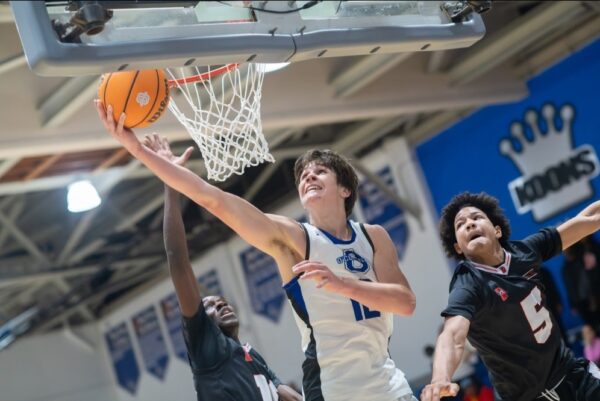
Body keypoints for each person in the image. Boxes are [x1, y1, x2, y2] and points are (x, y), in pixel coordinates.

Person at [97, 101, 418, 401]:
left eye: (320, 171)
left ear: (345, 189)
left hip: (391, 386)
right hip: (332, 390)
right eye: (303, 176)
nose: (309, 176)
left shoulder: (373, 237)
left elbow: (405, 303)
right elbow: (213, 199)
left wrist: (343, 284)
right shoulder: (292, 240)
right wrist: (138, 151)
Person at [421, 192, 600, 401]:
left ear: (497, 230)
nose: (469, 224)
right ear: (458, 247)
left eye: (477, 217)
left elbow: (585, 221)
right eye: (460, 224)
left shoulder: (524, 252)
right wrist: (440, 378)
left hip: (572, 373)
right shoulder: (468, 284)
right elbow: (452, 335)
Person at [159, 139, 301, 401]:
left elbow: (287, 395)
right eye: (211, 306)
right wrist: (171, 183)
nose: (221, 305)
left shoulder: (249, 354)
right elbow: (177, 260)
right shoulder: (208, 346)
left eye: (222, 302)